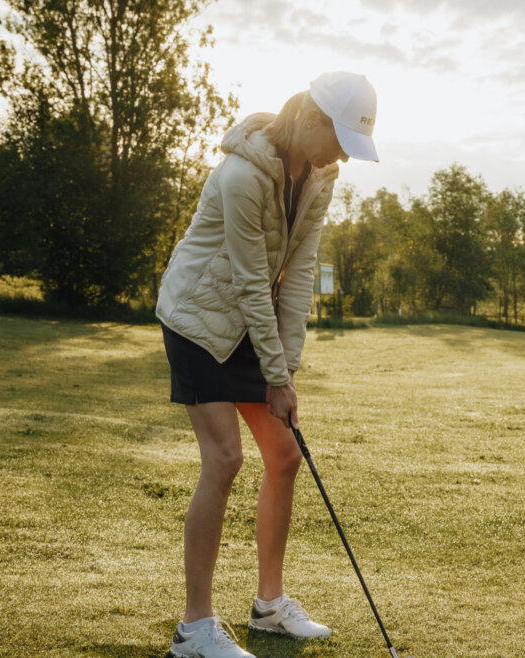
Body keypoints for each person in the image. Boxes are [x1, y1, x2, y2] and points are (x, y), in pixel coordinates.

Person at [155, 72, 378, 658]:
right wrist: (274, 376)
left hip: (250, 320)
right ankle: (194, 630)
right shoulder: (240, 174)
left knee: (283, 455)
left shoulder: (322, 175)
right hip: (199, 317)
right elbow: (252, 279)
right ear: (311, 120)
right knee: (225, 459)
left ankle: (268, 607)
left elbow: (298, 274)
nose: (344, 160)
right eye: (341, 142)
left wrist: (288, 368)